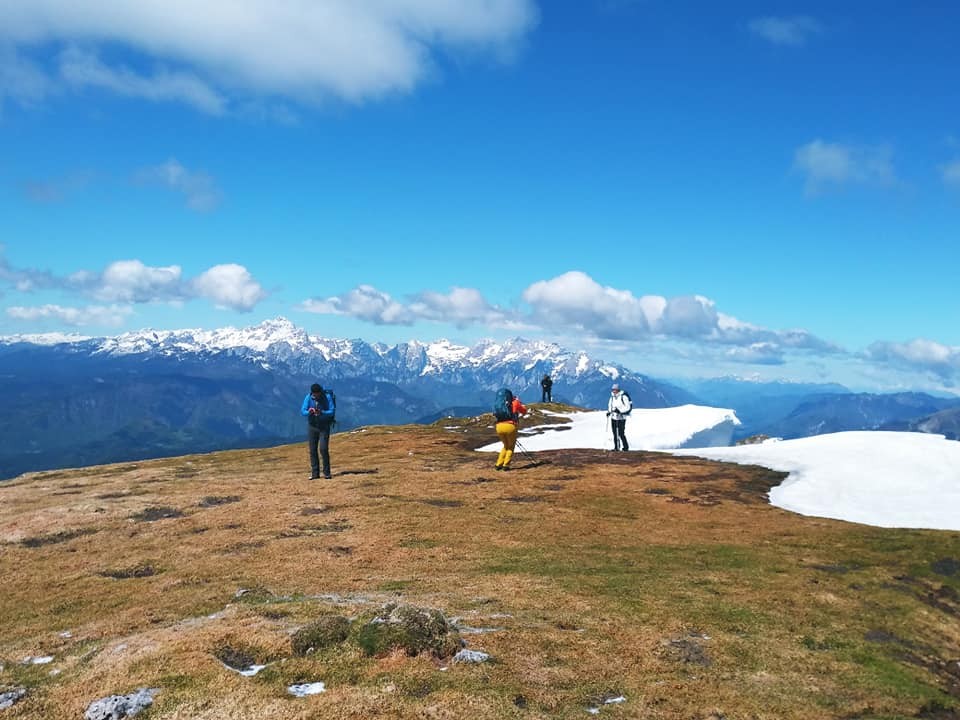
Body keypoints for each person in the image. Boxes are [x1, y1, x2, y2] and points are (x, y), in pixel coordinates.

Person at [301, 383, 335, 479]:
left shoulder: (327, 397)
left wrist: (322, 412)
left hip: (324, 426)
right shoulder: (308, 397)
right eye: (314, 394)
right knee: (312, 450)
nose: (315, 396)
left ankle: (327, 473)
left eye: (317, 394)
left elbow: (332, 411)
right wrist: (309, 412)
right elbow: (302, 410)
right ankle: (315, 474)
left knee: (323, 449)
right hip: (312, 426)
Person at [495, 390, 528, 471]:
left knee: (505, 446)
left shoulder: (500, 404)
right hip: (510, 426)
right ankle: (506, 465)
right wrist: (518, 402)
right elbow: (524, 411)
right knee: (510, 447)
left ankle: (498, 464)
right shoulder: (515, 403)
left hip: (499, 426)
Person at [606, 383, 632, 451]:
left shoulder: (623, 397)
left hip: (621, 418)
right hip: (614, 417)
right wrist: (609, 412)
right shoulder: (612, 397)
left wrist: (620, 411)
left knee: (621, 433)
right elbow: (610, 406)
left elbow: (627, 407)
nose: (614, 391)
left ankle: (625, 447)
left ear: (618, 390)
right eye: (613, 389)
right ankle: (616, 447)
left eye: (615, 389)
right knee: (615, 433)